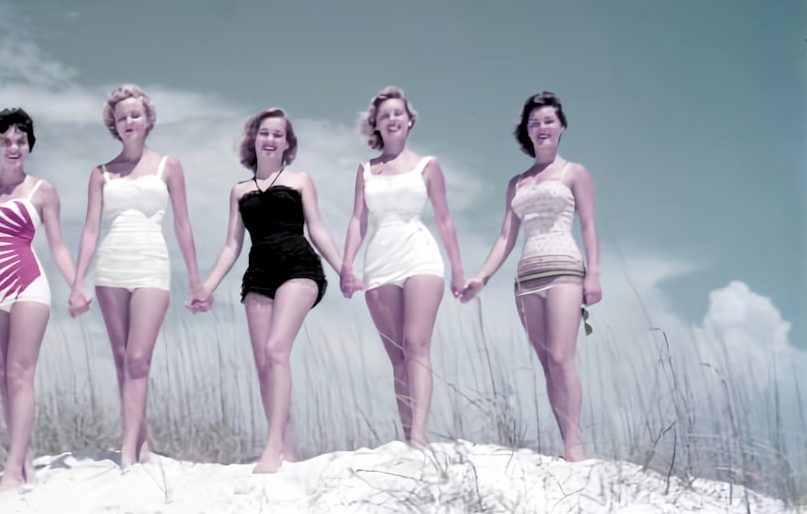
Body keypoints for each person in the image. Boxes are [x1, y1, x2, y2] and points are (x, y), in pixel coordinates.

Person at [195, 108, 343, 473]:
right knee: (265, 364)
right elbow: (231, 245)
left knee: (278, 349)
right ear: (254, 139)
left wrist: (345, 270)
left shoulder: (300, 180)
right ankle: (288, 450)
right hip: (258, 273)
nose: (270, 139)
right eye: (265, 133)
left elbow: (318, 229)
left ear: (287, 143)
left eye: (278, 134)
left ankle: (272, 447)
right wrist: (206, 287)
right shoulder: (239, 190)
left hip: (299, 265)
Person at [460, 91, 601, 462]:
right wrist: (481, 278)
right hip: (527, 277)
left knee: (561, 357)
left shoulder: (574, 173)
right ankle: (564, 437)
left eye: (548, 121)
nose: (542, 128)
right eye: (535, 123)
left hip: (565, 270)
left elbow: (588, 226)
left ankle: (574, 445)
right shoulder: (517, 183)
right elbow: (506, 237)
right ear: (527, 130)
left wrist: (594, 276)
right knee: (546, 363)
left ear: (562, 127)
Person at [68, 85, 204, 470]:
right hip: (110, 266)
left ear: (147, 121)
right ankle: (137, 441)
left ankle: (128, 452)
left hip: (151, 265)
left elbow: (182, 224)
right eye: (122, 116)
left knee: (139, 359)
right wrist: (78, 281)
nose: (129, 121)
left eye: (135, 115)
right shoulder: (100, 174)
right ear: (114, 124)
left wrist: (195, 279)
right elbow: (91, 229)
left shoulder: (168, 166)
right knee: (121, 358)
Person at [0, 107, 80, 492]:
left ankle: (12, 470)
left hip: (29, 285)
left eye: (20, 141)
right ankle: (23, 460)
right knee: (1, 379)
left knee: (19, 374)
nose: (13, 147)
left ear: (28, 146)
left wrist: (77, 284)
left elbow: (58, 246)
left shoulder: (42, 190)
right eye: (5, 141)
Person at [339, 86, 466, 448]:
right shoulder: (365, 171)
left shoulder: (428, 166)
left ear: (409, 121)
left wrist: (458, 269)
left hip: (420, 256)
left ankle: (420, 438)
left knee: (417, 344)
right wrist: (347, 265)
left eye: (398, 113)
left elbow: (444, 219)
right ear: (376, 125)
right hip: (379, 260)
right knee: (397, 356)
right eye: (384, 115)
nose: (392, 118)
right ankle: (408, 433)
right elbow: (357, 221)